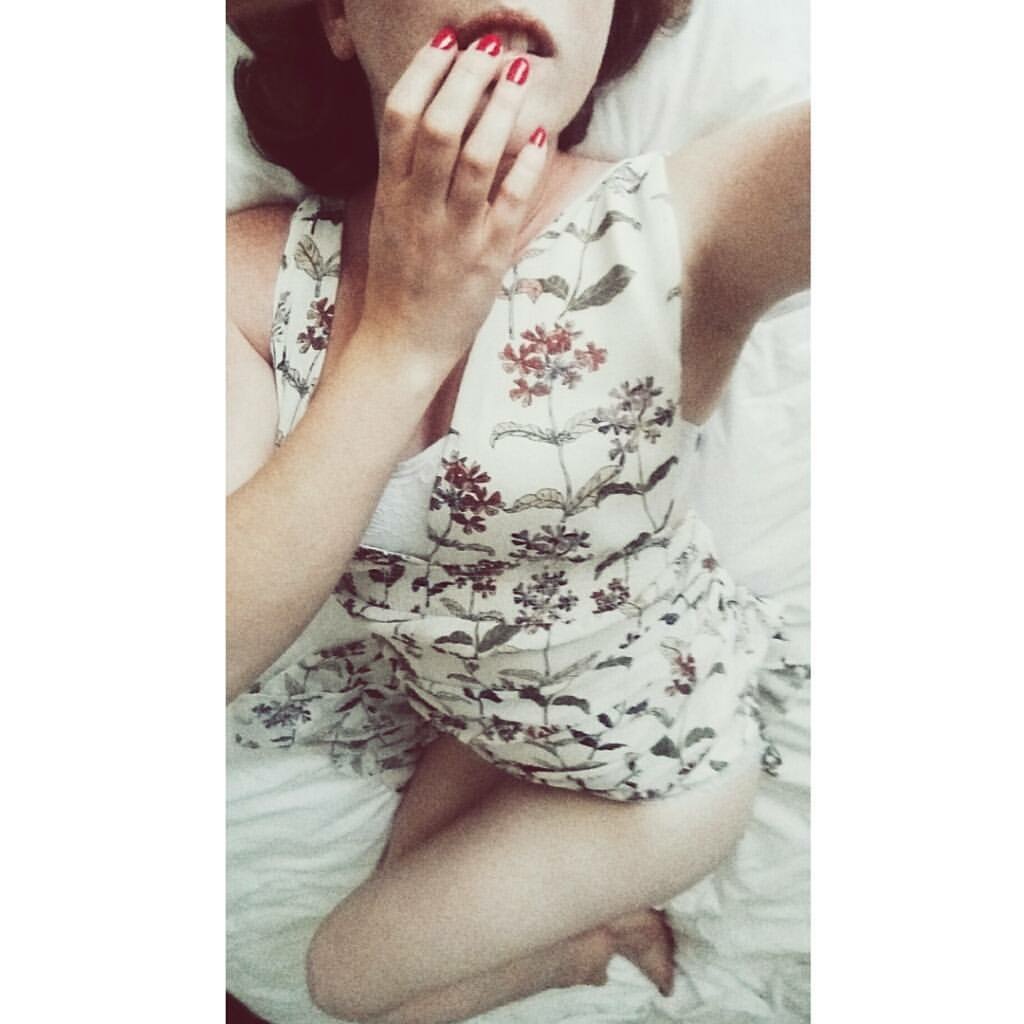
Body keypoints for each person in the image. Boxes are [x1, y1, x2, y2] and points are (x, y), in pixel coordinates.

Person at [227, 2, 809, 1021]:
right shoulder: (242, 278)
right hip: (475, 731)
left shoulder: (676, 225)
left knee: (343, 981)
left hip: (662, 770)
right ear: (338, 19)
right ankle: (584, 939)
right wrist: (403, 337)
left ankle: (580, 951)